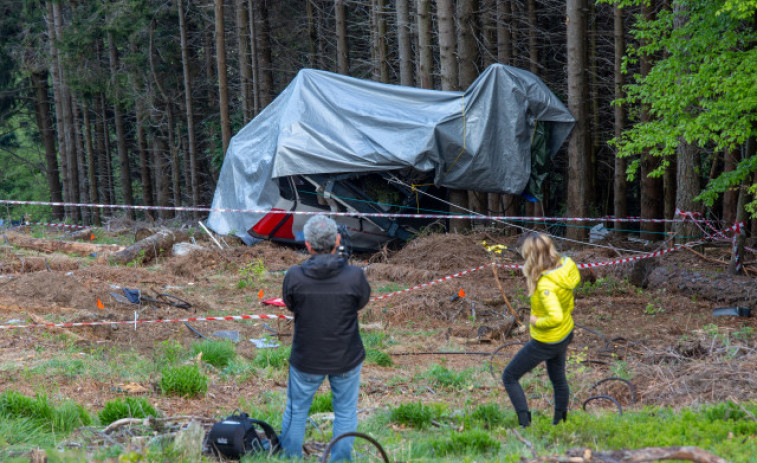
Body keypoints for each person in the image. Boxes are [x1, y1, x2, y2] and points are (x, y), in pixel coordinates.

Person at [280, 215, 371, 461]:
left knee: (296, 411)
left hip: (306, 357)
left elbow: (290, 304)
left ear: (307, 245)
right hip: (346, 356)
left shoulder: (294, 276)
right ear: (338, 240)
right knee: (345, 413)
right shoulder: (355, 276)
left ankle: (290, 458)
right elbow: (361, 301)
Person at [502, 233, 580, 427]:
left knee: (509, 376)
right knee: (558, 378)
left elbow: (555, 317)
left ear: (531, 256)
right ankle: (560, 424)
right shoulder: (564, 267)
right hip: (565, 332)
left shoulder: (546, 285)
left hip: (547, 340)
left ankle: (524, 425)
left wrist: (536, 322)